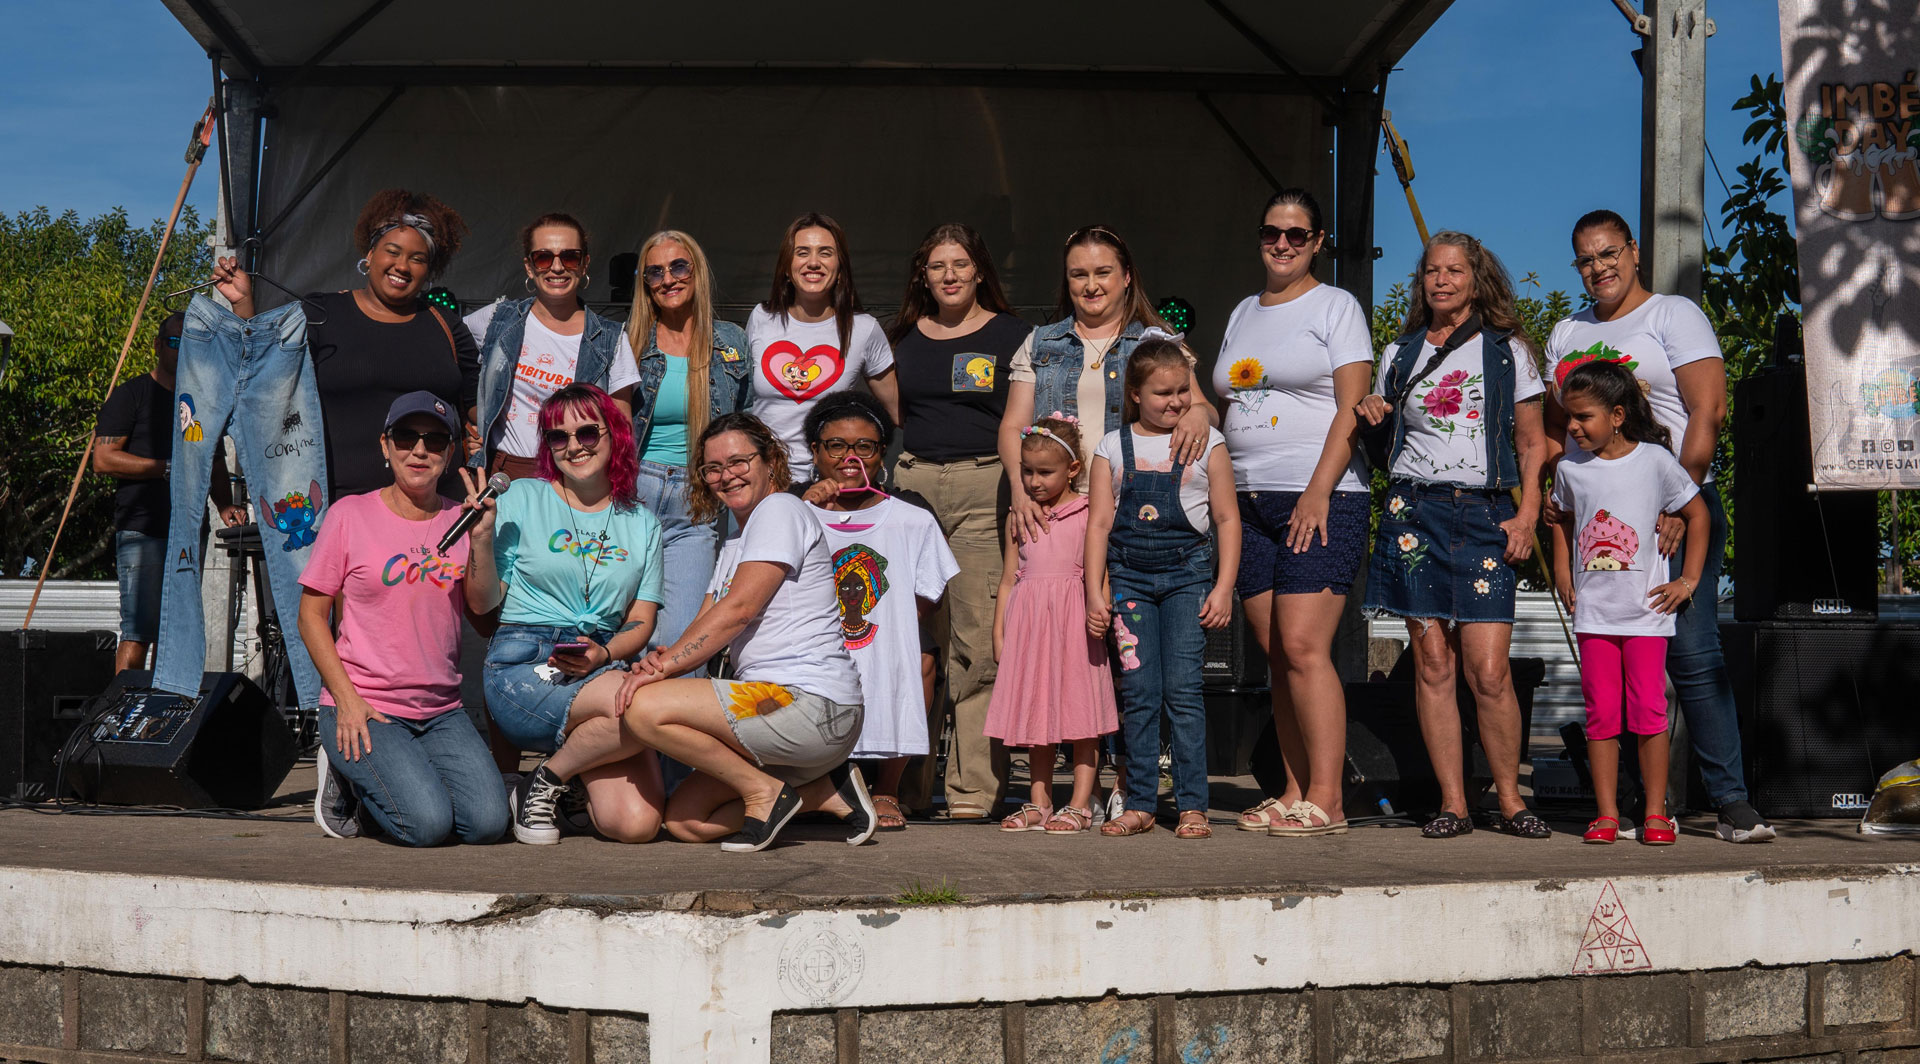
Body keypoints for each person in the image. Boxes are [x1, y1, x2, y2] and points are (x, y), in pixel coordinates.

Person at [1545, 209, 1774, 845]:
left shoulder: (1672, 314)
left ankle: (1730, 802)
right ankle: (1635, 806)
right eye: (1586, 259)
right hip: (1600, 515)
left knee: (1692, 655)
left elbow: (1709, 408)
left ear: (1634, 251)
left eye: (1609, 253)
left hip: (1673, 504)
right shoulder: (1566, 332)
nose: (1599, 267)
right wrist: (1557, 505)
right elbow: (1556, 427)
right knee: (1613, 669)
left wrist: (1678, 501)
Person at [1355, 231, 1550, 840]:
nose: (1441, 280)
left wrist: (1527, 514)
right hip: (1414, 512)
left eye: (1455, 271)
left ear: (1476, 278)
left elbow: (1532, 442)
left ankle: (1511, 801)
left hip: (1486, 513)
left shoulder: (1508, 350)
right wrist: (1373, 414)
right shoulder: (1400, 352)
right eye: (1432, 271)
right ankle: (1453, 804)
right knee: (1433, 664)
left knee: (1488, 670)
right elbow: (1385, 439)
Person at [615, 413, 878, 853]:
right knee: (687, 819)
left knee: (643, 709)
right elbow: (706, 624)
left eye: (739, 462)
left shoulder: (780, 509)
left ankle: (764, 792)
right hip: (774, 712)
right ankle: (824, 793)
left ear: (771, 461)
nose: (727, 476)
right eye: (713, 468)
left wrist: (656, 674)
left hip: (808, 702)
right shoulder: (737, 541)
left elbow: (739, 611)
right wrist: (660, 661)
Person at [1214, 189, 1373, 838]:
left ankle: (1329, 800)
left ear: (1318, 241)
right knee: (1276, 655)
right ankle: (1292, 790)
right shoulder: (1242, 311)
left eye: (1297, 235)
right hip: (1247, 502)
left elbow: (1353, 407)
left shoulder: (1336, 306)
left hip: (1320, 498)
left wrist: (1318, 489)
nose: (1282, 244)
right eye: (1271, 232)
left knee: (1305, 647)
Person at [297, 391, 510, 846]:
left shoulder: (462, 519)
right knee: (427, 825)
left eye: (435, 440)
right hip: (365, 702)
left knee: (488, 823)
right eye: (406, 437)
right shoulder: (350, 514)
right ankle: (347, 779)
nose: (419, 450)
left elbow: (482, 609)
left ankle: (389, 779)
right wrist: (346, 700)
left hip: (441, 710)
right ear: (385, 445)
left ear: (450, 453)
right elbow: (311, 617)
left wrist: (483, 537)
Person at [466, 384, 668, 845]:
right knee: (649, 706)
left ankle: (549, 778)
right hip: (524, 662)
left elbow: (641, 620)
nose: (574, 446)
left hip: (600, 664)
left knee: (634, 824)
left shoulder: (642, 523)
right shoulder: (523, 497)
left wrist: (604, 654)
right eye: (558, 437)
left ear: (614, 434)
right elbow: (481, 604)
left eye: (587, 432)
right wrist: (480, 539)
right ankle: (556, 779)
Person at [888, 222, 1029, 821]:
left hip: (985, 483)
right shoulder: (899, 338)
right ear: (923, 276)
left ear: (979, 270)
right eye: (937, 266)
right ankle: (904, 789)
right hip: (912, 486)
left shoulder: (1014, 335)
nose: (949, 276)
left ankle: (974, 790)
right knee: (913, 640)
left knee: (978, 640)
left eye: (960, 264)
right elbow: (893, 413)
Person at [1549, 361, 1710, 847]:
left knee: (1648, 712)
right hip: (1594, 616)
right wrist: (1562, 573)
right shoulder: (1569, 469)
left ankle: (1657, 813)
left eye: (1583, 417)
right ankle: (1606, 814)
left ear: (1617, 415)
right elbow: (1561, 520)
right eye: (1569, 417)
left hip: (1646, 615)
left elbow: (1698, 514)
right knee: (1601, 714)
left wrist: (1688, 581)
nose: (1573, 427)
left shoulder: (1656, 461)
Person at [1085, 341, 1240, 839]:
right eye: (1162, 393)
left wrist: (1223, 587)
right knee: (1139, 692)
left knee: (1183, 692)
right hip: (1129, 580)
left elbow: (1226, 518)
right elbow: (1098, 524)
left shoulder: (1209, 443)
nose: (1175, 402)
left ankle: (1193, 805)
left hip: (1187, 580)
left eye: (1182, 391)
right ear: (1134, 394)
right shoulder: (1112, 447)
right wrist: (1094, 592)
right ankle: (1141, 803)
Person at [796, 392, 959, 829]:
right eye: (836, 445)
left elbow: (927, 595)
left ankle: (887, 789)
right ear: (815, 451)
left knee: (917, 660)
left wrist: (892, 629)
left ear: (881, 452)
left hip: (882, 633)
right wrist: (806, 507)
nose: (850, 458)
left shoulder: (911, 512)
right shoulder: (793, 506)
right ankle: (821, 787)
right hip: (807, 639)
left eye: (864, 446)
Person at [998, 225, 1215, 544]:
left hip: (1134, 510)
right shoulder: (1041, 342)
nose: (1091, 285)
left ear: (1126, 276)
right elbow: (1012, 426)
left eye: (1103, 272)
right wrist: (1020, 489)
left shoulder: (1155, 340)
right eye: (1078, 275)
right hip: (1055, 510)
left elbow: (1206, 409)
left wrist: (1198, 413)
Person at [624, 229, 754, 668]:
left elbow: (744, 420)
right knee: (620, 633)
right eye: (655, 272)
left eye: (679, 266)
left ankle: (669, 715)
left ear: (696, 271)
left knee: (681, 645)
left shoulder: (730, 341)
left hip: (696, 500)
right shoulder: (628, 340)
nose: (668, 279)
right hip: (632, 495)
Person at [985, 415, 1118, 834]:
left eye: (1045, 472)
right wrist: (999, 632)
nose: (1034, 481)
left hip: (1073, 622)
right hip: (1030, 625)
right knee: (1035, 714)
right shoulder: (1020, 515)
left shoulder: (1089, 512)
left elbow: (1101, 570)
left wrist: (1102, 607)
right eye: (1027, 471)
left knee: (1082, 714)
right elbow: (1009, 578)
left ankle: (1080, 803)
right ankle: (1039, 802)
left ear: (1073, 469)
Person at [93, 312, 243, 672]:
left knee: (176, 632)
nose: (183, 350)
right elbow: (103, 459)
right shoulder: (132, 394)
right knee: (139, 631)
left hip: (189, 530)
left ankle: (163, 705)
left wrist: (225, 505)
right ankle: (126, 702)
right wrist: (167, 468)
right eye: (176, 342)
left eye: (192, 343)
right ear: (158, 345)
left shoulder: (201, 401)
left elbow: (214, 461)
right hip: (144, 529)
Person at [465, 212, 638, 480]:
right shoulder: (497, 319)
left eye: (570, 257)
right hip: (504, 474)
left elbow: (621, 430)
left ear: (584, 264)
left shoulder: (610, 339)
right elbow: (446, 358)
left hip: (576, 480)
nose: (557, 267)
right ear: (529, 267)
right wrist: (471, 418)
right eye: (543, 257)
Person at [745, 213, 899, 480]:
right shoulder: (761, 317)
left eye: (825, 253)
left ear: (840, 267)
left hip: (829, 480)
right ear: (786, 266)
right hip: (763, 476)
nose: (813, 262)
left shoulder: (864, 328)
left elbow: (897, 412)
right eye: (802, 252)